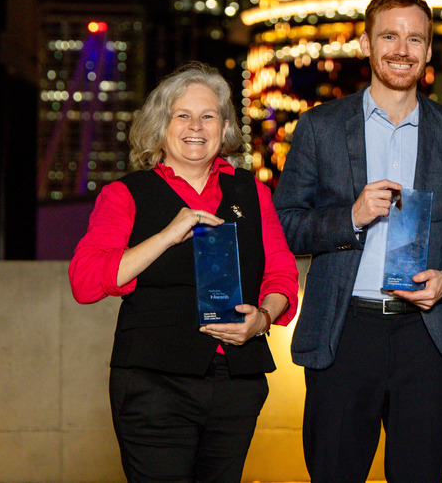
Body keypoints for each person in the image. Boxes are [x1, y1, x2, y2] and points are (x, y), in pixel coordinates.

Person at [273, 0, 442, 482]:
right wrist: (351, 217)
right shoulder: (319, 128)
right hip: (343, 332)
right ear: (366, 44)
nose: (401, 49)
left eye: (415, 39)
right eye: (389, 36)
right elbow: (284, 224)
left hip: (424, 335)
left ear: (429, 51)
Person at [69, 62, 299, 482]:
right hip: (154, 384)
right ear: (162, 125)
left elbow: (281, 272)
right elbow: (85, 282)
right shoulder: (124, 194)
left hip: (237, 383)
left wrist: (263, 318)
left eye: (208, 115)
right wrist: (168, 235)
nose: (197, 126)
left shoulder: (252, 191)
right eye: (183, 115)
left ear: (225, 127)